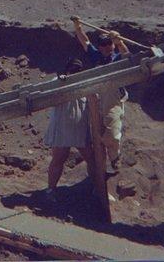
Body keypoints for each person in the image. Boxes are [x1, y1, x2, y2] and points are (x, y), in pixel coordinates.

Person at [72, 17, 129, 169]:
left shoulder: (116, 58)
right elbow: (85, 42)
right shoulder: (96, 55)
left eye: (108, 44)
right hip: (96, 97)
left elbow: (127, 56)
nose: (106, 47)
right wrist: (78, 28)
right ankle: (101, 166)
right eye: (103, 44)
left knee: (111, 132)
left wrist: (119, 42)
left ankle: (115, 157)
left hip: (113, 97)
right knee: (96, 133)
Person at [44, 58, 95, 203]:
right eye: (73, 71)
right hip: (62, 129)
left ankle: (95, 187)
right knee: (58, 159)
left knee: (91, 159)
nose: (75, 73)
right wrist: (61, 80)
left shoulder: (86, 83)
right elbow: (49, 89)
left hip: (80, 129)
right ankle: (51, 189)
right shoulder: (58, 81)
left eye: (78, 71)